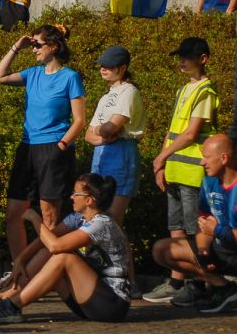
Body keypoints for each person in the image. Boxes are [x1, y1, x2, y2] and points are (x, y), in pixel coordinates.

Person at [0, 174, 132, 324]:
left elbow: (56, 246)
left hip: (112, 304)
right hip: (91, 302)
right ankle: (3, 299)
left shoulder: (102, 224)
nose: (71, 197)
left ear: (89, 200)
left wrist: (36, 219)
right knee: (47, 253)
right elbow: (46, 242)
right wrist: (20, 259)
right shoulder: (79, 219)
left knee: (63, 257)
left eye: (76, 194)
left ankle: (11, 306)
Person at [0, 24, 86, 275]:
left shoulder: (70, 77)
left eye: (37, 45)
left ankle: (47, 272)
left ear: (54, 47)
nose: (33, 49)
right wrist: (16, 47)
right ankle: (20, 268)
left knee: (50, 216)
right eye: (32, 44)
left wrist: (62, 145)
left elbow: (79, 120)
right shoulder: (33, 73)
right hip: (27, 147)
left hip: (53, 148)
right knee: (14, 212)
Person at [144, 36, 219, 304]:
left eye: (188, 57)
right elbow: (173, 130)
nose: (182, 61)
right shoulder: (183, 90)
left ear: (203, 60)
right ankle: (177, 281)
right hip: (175, 169)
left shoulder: (205, 91)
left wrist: (162, 155)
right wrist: (161, 162)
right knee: (175, 227)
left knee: (193, 230)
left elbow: (191, 133)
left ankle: (202, 283)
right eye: (181, 56)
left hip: (192, 172)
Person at [151, 134, 237, 312]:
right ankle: (223, 287)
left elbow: (213, 228)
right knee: (161, 250)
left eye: (206, 157)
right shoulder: (209, 181)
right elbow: (203, 223)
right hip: (221, 249)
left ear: (224, 158)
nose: (201, 162)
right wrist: (204, 251)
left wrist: (218, 230)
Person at [83, 46, 145, 225]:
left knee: (112, 220)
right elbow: (89, 136)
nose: (103, 68)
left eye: (109, 66)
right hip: (101, 154)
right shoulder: (105, 97)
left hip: (122, 154)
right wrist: (102, 133)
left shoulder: (129, 91)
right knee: (96, 217)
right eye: (102, 64)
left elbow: (111, 127)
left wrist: (101, 130)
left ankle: (118, 254)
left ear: (123, 68)